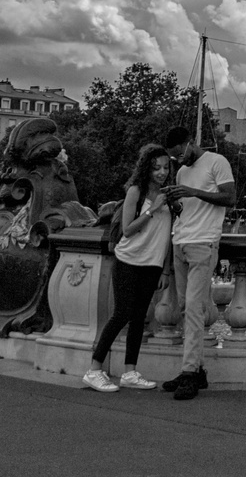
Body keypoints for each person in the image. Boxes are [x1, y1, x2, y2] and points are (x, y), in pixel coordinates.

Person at [82, 144, 173, 392]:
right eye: (156, 168)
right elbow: (128, 229)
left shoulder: (169, 196)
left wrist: (165, 269)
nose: (162, 172)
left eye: (165, 167)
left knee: (139, 317)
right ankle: (94, 369)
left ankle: (129, 372)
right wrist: (152, 210)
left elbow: (167, 236)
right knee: (121, 314)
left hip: (152, 265)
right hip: (128, 260)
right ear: (147, 168)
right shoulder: (137, 191)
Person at [160, 125, 235, 401]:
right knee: (184, 308)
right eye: (174, 157)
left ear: (190, 143)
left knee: (193, 308)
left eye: (180, 154)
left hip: (204, 242)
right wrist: (176, 203)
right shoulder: (181, 172)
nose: (178, 160)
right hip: (181, 240)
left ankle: (189, 373)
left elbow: (230, 198)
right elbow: (186, 210)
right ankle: (197, 369)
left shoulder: (217, 162)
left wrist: (193, 191)